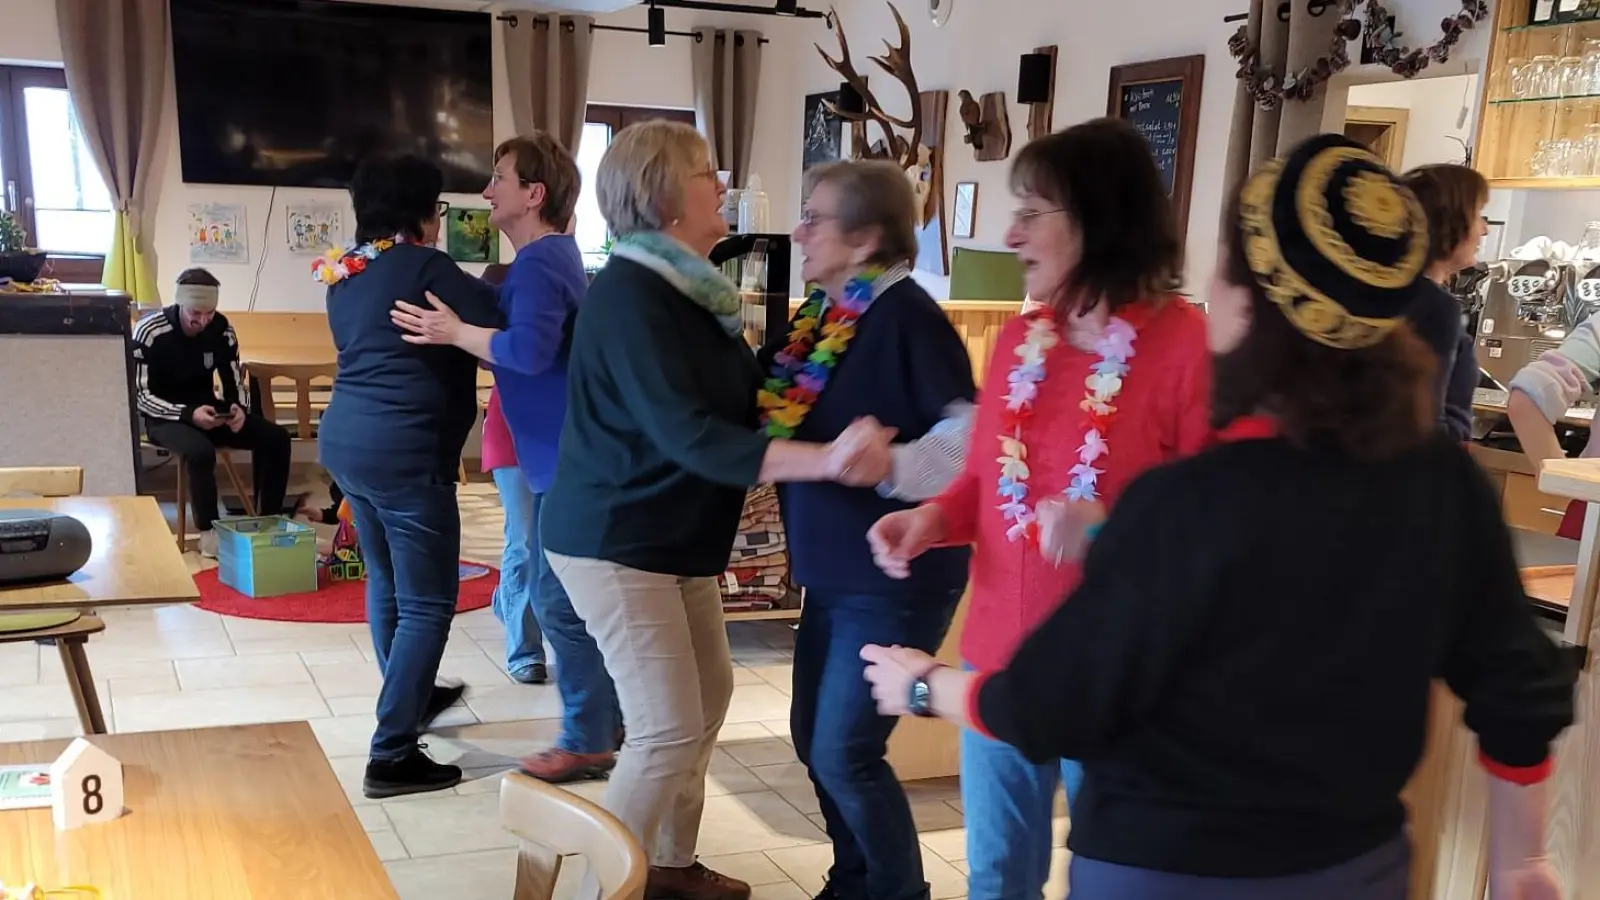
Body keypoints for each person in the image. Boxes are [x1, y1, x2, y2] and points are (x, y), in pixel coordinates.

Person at [861, 134, 1576, 900]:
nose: (1014, 233)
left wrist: (924, 686)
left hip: (1161, 857)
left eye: (1229, 268)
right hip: (1355, 863)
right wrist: (1520, 861)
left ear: (1254, 301)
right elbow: (1518, 684)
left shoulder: (1189, 496)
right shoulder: (1442, 485)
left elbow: (1056, 698)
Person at [538, 119, 894, 900]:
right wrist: (828, 461)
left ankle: (668, 868)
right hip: (616, 539)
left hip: (673, 539)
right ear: (665, 195)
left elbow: (746, 392)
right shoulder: (631, 295)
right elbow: (692, 434)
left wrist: (834, 324)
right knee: (665, 727)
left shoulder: (693, 290)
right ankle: (613, 890)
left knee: (708, 699)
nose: (722, 182)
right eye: (708, 173)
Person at [865, 118, 1212, 900]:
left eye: (1032, 211)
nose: (1010, 231)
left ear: (1096, 220)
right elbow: (990, 479)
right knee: (997, 877)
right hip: (999, 658)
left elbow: (1213, 529)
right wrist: (931, 520)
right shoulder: (1026, 339)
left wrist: (1110, 532)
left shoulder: (1185, 347)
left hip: (1122, 673)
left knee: (1114, 877)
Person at [771, 160, 975, 900]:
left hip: (893, 580)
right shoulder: (828, 317)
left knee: (846, 752)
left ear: (863, 239)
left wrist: (887, 463)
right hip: (835, 577)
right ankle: (852, 879)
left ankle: (894, 893)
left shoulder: (908, 318)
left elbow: (968, 446)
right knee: (813, 741)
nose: (799, 230)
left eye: (814, 217)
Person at [390, 132, 621, 783]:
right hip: (560, 457)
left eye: (499, 178)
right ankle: (604, 720)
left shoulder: (544, 261)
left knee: (555, 600)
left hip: (566, 460)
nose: (487, 189)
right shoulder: (544, 259)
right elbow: (513, 318)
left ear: (533, 193)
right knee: (565, 597)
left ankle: (587, 736)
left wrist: (453, 331)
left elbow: (528, 352)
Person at [317, 154, 504, 800]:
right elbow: (503, 313)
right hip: (405, 453)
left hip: (347, 445)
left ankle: (413, 700)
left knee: (389, 583)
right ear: (424, 214)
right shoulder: (425, 267)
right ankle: (392, 752)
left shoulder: (346, 275)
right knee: (428, 602)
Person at [136, 267, 291, 558]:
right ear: (181, 303)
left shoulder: (221, 328)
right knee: (200, 451)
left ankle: (269, 521)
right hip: (165, 416)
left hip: (208, 408)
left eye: (209, 313)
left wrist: (237, 408)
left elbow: (234, 377)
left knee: (276, 437)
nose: (202, 320)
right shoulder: (150, 330)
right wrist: (186, 414)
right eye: (196, 312)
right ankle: (208, 533)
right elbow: (140, 396)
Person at [1399, 164, 1488, 440]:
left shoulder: (1392, 293)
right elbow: (1426, 422)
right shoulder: (1434, 307)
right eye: (1478, 216)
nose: (1484, 230)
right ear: (1450, 223)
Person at [480, 388, 547, 684]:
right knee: (523, 544)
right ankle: (525, 652)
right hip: (513, 437)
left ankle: (506, 600)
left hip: (566, 435)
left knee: (554, 545)